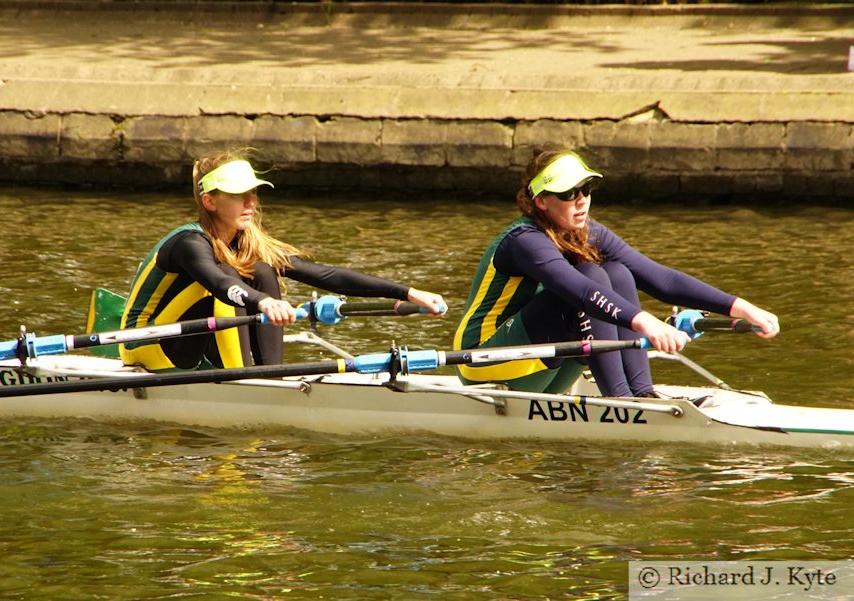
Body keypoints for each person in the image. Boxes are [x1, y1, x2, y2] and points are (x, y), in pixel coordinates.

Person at [453, 148, 779, 398]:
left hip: (543, 360)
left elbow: (660, 279)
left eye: (587, 189)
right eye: (568, 194)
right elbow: (579, 290)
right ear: (540, 202)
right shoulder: (524, 241)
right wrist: (646, 322)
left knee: (618, 272)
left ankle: (641, 395)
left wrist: (742, 307)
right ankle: (620, 402)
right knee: (593, 278)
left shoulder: (587, 231)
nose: (581, 201)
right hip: (485, 362)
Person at [120, 149, 446, 371]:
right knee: (230, 274)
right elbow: (219, 284)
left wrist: (406, 292)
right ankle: (249, 380)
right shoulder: (190, 243)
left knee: (261, 270)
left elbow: (325, 275)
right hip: (146, 344)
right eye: (238, 195)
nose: (250, 202)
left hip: (191, 339)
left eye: (253, 193)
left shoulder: (248, 243)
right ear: (209, 202)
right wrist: (262, 303)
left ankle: (272, 376)